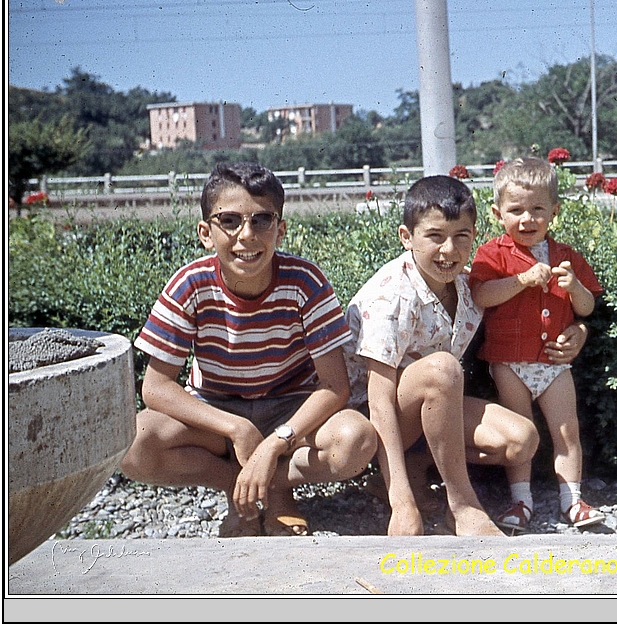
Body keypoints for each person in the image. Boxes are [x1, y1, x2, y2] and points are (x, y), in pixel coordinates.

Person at [120, 162, 377, 538]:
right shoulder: (189, 285)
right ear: (206, 233)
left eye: (261, 220)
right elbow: (156, 388)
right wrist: (236, 428)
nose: (246, 235)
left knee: (356, 439)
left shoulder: (305, 282)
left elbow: (334, 386)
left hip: (290, 407)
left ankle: (273, 488)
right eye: (229, 220)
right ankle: (241, 487)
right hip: (217, 411)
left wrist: (275, 443)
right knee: (134, 442)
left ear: (281, 229)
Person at [343, 175, 588, 537]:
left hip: (429, 410)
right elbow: (378, 401)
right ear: (405, 237)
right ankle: (461, 505)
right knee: (443, 369)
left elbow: (526, 311)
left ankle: (415, 466)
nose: (449, 250)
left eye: (462, 236)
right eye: (435, 236)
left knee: (522, 440)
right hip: (370, 420)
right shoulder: (390, 296)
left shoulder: (466, 286)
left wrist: (579, 331)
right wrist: (403, 504)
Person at [469, 157, 605, 532]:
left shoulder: (567, 257)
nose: (527, 219)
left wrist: (574, 286)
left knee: (566, 431)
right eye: (516, 211)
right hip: (509, 361)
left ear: (554, 211)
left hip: (554, 361)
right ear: (498, 213)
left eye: (537, 209)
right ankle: (520, 501)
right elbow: (481, 294)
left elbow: (588, 306)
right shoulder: (492, 254)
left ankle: (572, 501)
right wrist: (523, 279)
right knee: (522, 430)